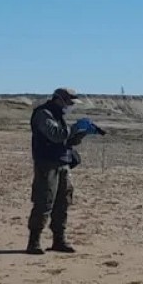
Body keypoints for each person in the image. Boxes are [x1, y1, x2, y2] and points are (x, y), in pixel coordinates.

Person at [26, 87, 94, 254]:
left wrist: (80, 134)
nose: (71, 106)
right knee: (44, 201)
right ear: (59, 100)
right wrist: (74, 128)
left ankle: (59, 240)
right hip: (47, 164)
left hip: (63, 163)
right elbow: (56, 135)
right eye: (70, 102)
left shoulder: (59, 115)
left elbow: (66, 140)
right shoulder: (43, 114)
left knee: (63, 203)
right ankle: (34, 242)